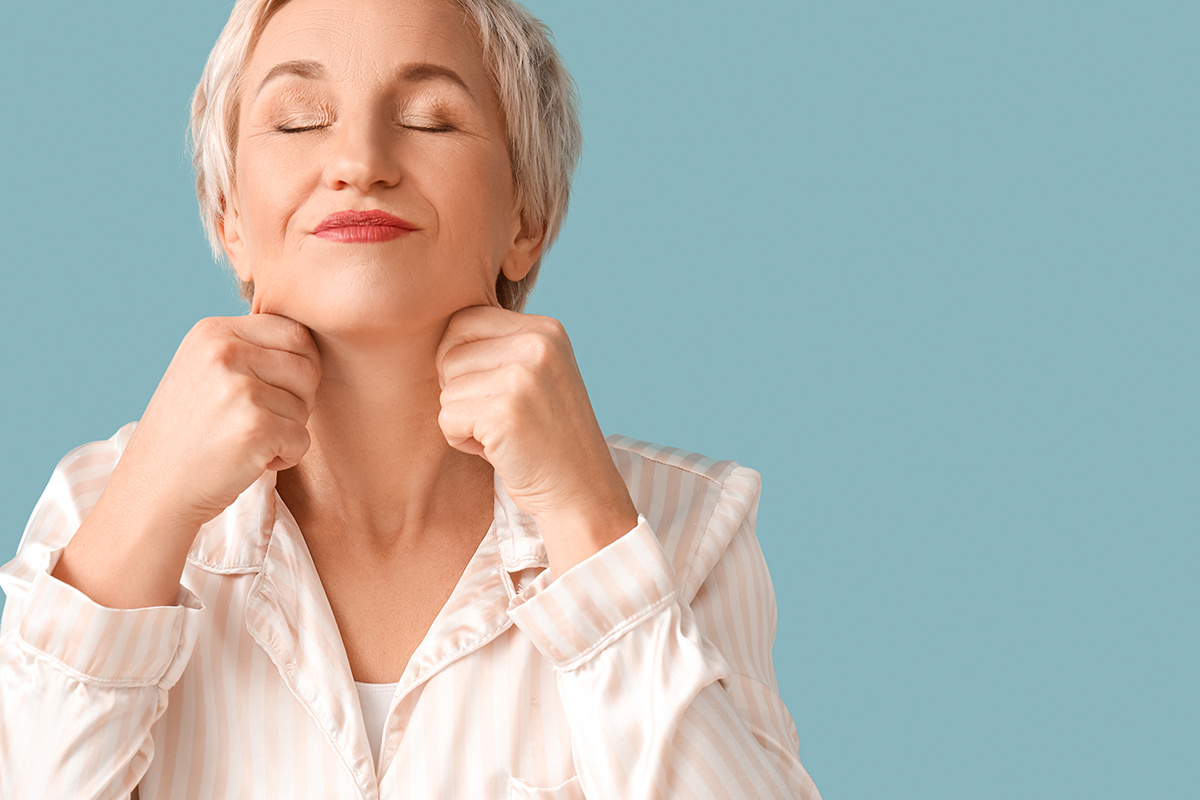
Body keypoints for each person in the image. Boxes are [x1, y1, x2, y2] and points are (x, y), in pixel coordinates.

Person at [0, 0, 822, 797]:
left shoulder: (688, 527)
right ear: (229, 218)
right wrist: (147, 507)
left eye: (431, 119)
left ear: (526, 216)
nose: (360, 161)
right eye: (297, 120)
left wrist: (587, 523)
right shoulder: (93, 511)